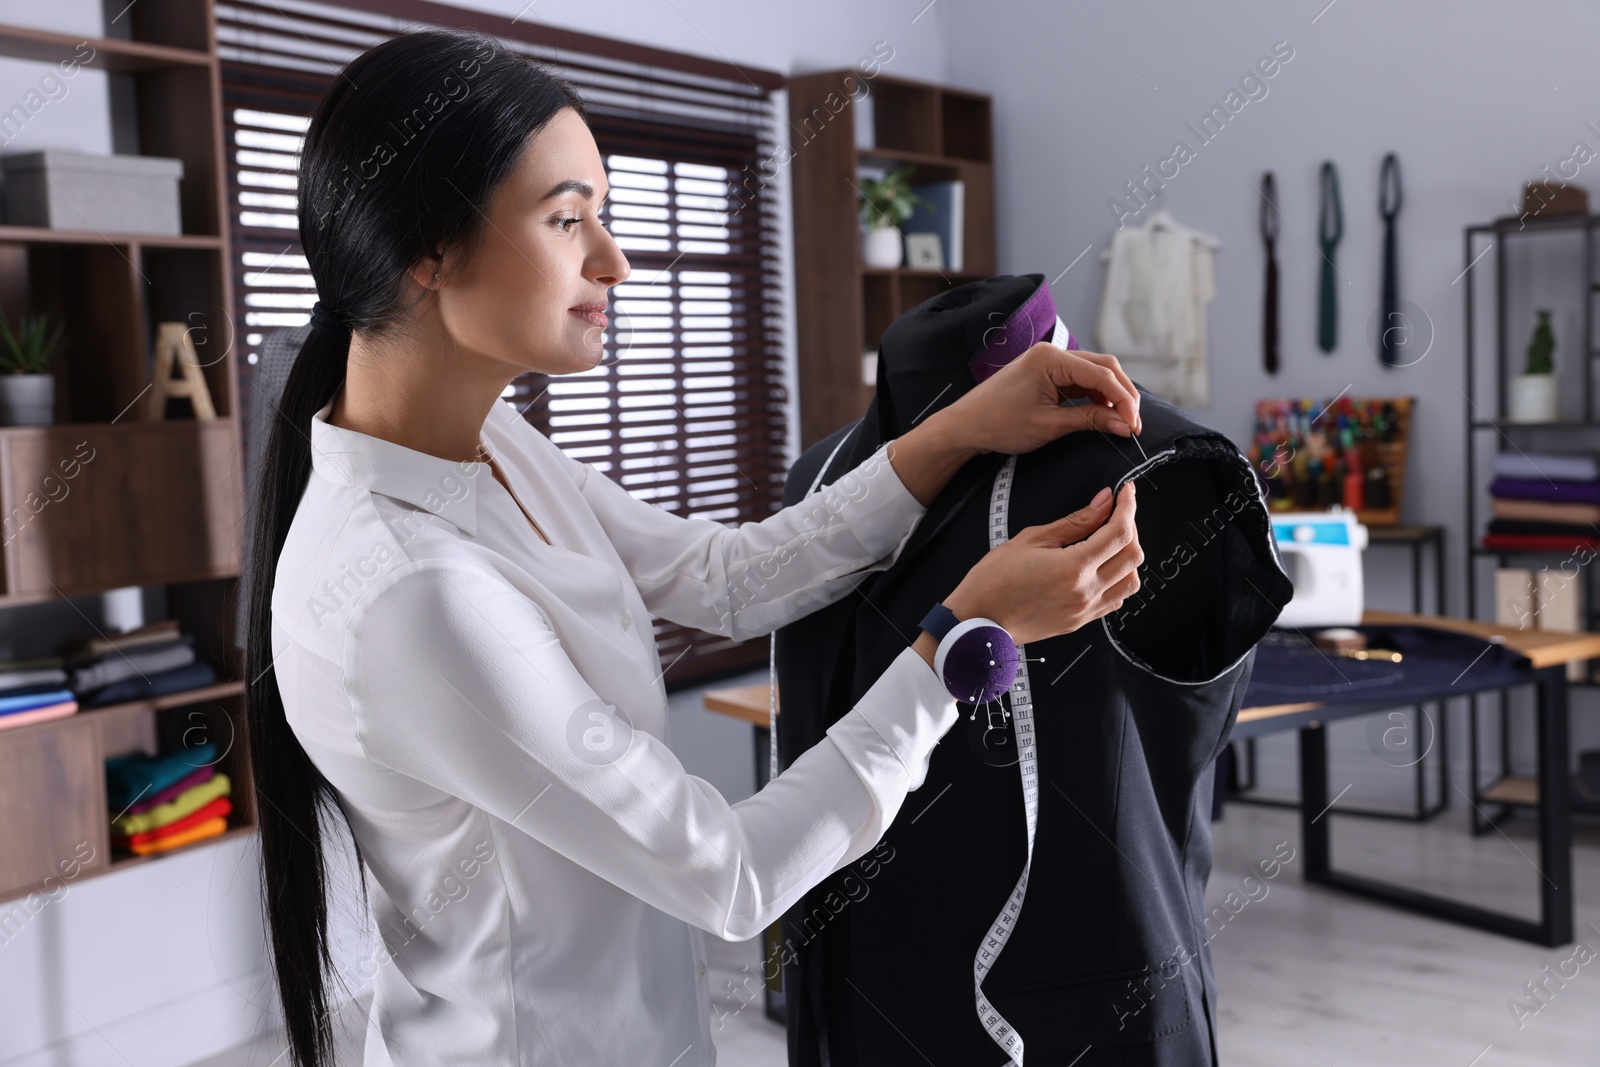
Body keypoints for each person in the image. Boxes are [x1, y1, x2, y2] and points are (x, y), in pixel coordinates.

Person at [245, 28, 1145, 1067]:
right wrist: (963, 638)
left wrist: (958, 429)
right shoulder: (410, 593)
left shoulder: (488, 441)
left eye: (607, 216)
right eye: (567, 219)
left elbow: (724, 577)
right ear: (426, 250)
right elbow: (731, 872)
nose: (613, 261)